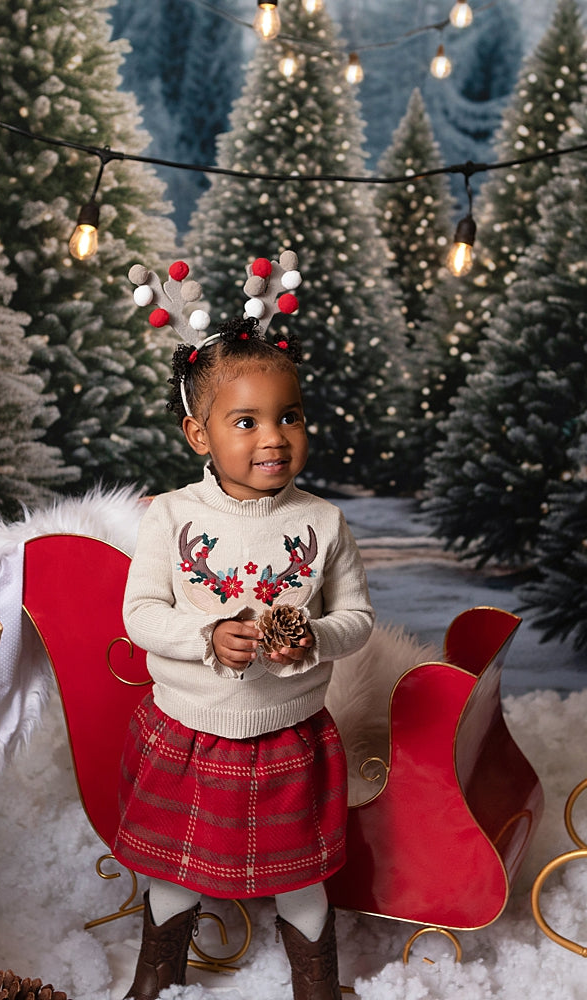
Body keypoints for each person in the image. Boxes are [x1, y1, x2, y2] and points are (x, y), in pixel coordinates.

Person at [116, 313, 374, 1000]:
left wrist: (316, 637)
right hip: (191, 729)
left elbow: (358, 618)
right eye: (246, 422)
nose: (273, 439)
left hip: (288, 732)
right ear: (198, 433)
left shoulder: (323, 521)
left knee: (303, 876)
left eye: (289, 417)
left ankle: (316, 985)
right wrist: (205, 637)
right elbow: (139, 615)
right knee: (176, 870)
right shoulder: (170, 517)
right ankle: (156, 975)